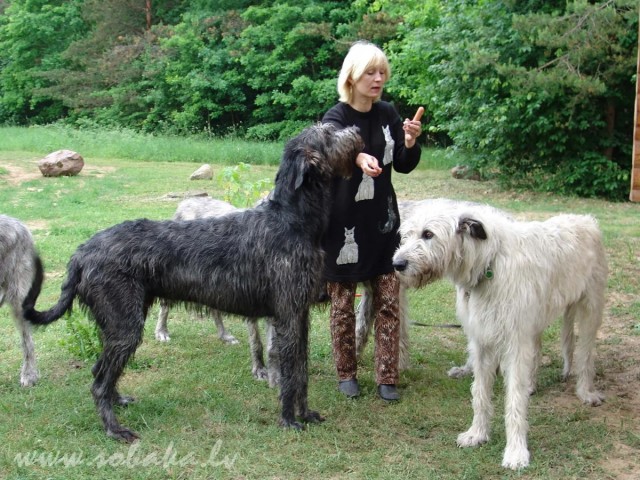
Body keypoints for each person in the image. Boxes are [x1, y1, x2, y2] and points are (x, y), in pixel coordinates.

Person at [321, 41, 422, 401]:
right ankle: (346, 373)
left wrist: (409, 140)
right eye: (370, 72)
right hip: (343, 225)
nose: (378, 79)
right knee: (343, 304)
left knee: (389, 302)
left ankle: (386, 377)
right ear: (352, 76)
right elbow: (332, 148)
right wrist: (359, 155)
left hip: (383, 223)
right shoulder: (335, 117)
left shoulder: (389, 115)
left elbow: (405, 164)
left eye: (382, 72)